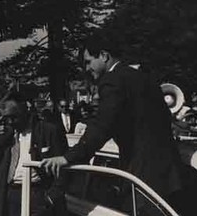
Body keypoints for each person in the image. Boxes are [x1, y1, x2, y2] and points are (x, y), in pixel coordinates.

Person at [40, 39, 182, 200]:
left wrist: (67, 158)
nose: (87, 69)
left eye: (88, 62)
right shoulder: (145, 77)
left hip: (143, 176)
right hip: (171, 173)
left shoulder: (113, 80)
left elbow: (102, 126)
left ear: (104, 56)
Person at [0, 92, 65, 216]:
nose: (10, 122)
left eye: (14, 117)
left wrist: (51, 197)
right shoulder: (7, 134)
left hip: (38, 194)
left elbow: (64, 169)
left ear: (26, 112)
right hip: (12, 195)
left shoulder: (48, 131)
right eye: (6, 118)